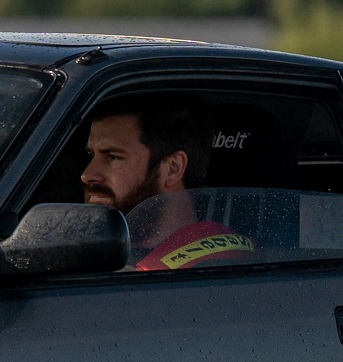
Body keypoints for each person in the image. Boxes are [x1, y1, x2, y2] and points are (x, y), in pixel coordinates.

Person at [80, 102, 251, 270]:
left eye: (113, 157)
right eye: (92, 155)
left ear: (173, 169)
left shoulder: (215, 267)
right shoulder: (100, 254)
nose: (87, 175)